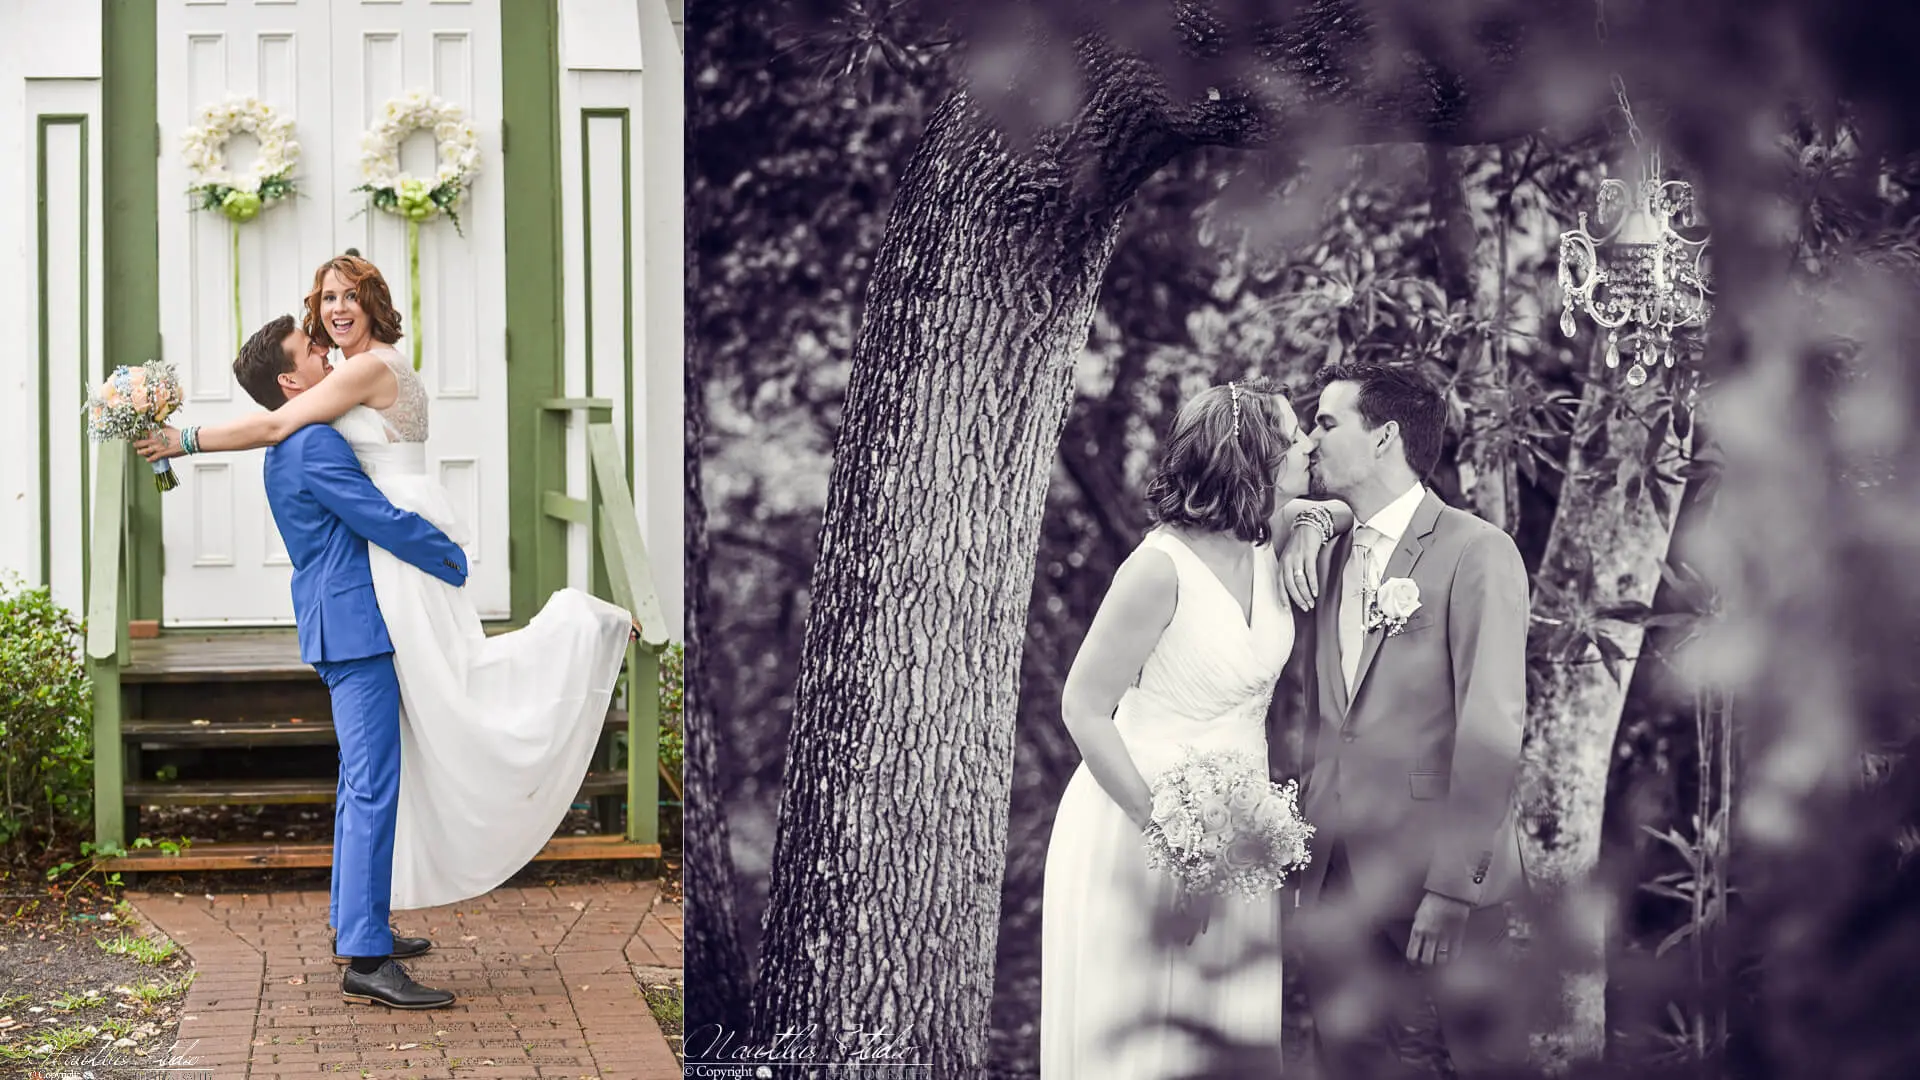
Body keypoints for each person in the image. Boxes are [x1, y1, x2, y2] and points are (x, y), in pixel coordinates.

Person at [137, 255, 638, 921]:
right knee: (402, 748)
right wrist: (182, 439)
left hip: (386, 572)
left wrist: (186, 438)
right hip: (377, 581)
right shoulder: (316, 421)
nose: (331, 316)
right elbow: (279, 425)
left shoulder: (362, 373)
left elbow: (289, 423)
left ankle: (364, 930)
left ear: (374, 300)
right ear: (295, 373)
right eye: (323, 302)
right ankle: (364, 941)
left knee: (411, 733)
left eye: (347, 297)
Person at [1039, 379, 1314, 1078]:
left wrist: (1317, 524)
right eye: (1293, 436)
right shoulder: (1157, 570)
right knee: (1142, 1036)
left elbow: (1336, 508)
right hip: (1143, 824)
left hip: (1242, 826)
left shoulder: (1265, 540)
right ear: (1253, 457)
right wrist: (1169, 834)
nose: (1308, 444)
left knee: (1225, 1024)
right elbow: (1082, 707)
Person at [1284, 361, 1531, 1079]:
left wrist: (1454, 884)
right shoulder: (1326, 548)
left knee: (1484, 1056)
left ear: (1385, 436)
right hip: (1334, 866)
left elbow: (1494, 720)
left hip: (1436, 861)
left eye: (1327, 423)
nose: (1310, 440)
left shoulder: (1477, 550)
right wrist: (1307, 515)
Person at [242, 317, 467, 1008]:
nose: (329, 355)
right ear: (290, 381)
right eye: (314, 352)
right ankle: (367, 959)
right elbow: (375, 515)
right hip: (355, 627)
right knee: (372, 786)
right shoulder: (311, 443)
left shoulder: (301, 439)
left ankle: (358, 923)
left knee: (358, 783)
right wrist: (449, 557)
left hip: (337, 619)